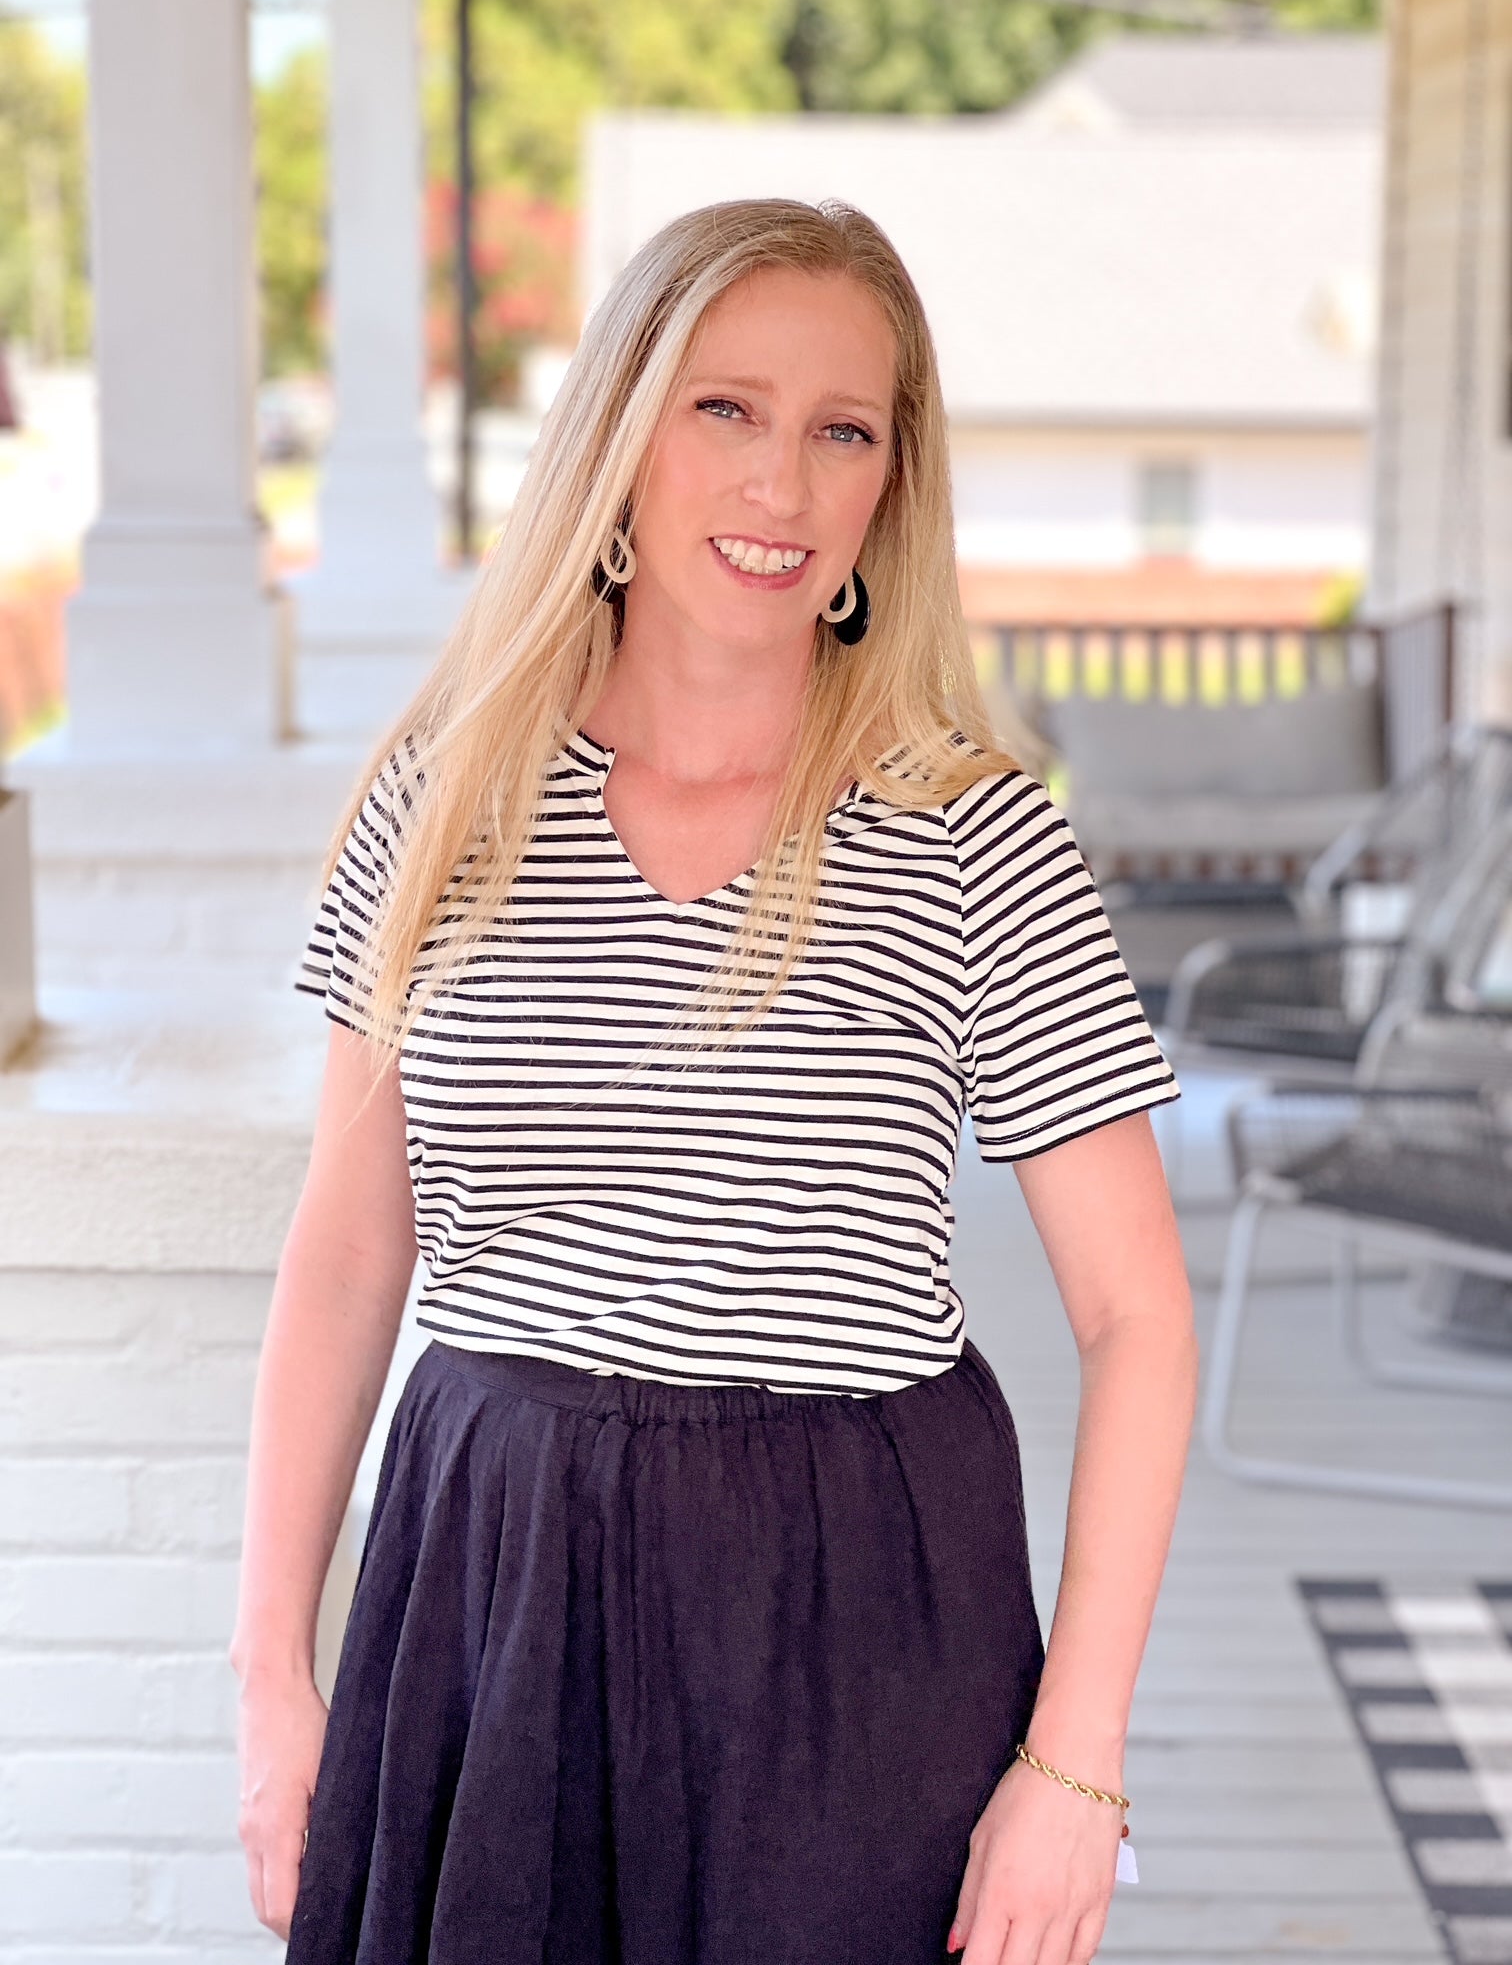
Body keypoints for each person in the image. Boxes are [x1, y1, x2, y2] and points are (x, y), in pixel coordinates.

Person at [230, 196, 1197, 1965]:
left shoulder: (972, 835)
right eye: (726, 408)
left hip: (853, 1614)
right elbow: (352, 1254)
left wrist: (1076, 1762)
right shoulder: (444, 803)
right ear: (622, 430)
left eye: (844, 431)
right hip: (491, 1588)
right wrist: (271, 1674)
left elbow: (1137, 1315)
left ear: (892, 486)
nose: (782, 483)